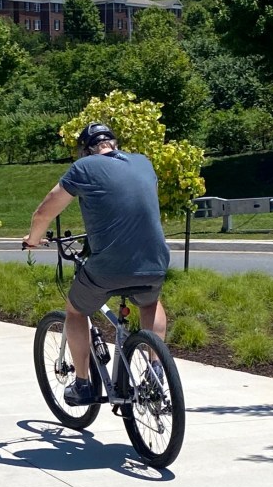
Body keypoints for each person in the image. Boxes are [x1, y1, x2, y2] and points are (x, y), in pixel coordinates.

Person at [23, 122, 170, 406]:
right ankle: (156, 369)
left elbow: (44, 213)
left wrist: (33, 240)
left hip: (109, 267)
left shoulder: (84, 167)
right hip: (155, 260)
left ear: (85, 150)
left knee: (75, 311)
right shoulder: (143, 162)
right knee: (150, 302)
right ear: (114, 144)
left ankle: (83, 384)